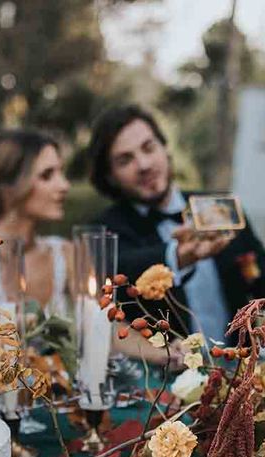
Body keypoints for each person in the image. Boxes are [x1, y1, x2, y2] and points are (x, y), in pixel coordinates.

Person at [88, 104, 265, 343]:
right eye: (125, 160)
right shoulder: (103, 230)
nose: (144, 165)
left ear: (164, 148)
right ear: (110, 176)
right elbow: (122, 270)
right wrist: (179, 255)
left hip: (240, 368)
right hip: (159, 377)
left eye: (149, 148)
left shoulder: (220, 208)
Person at [0, 129, 72, 320]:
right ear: (7, 187)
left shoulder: (65, 252)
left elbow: (110, 330)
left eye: (61, 172)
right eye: (47, 175)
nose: (64, 185)